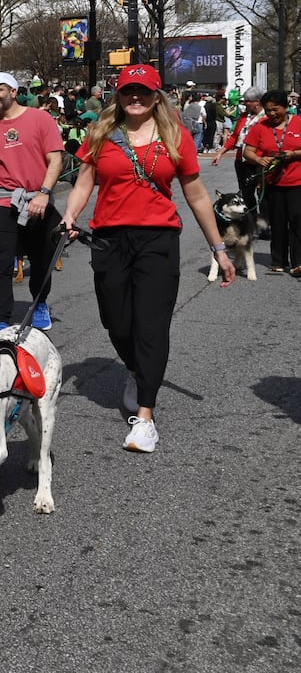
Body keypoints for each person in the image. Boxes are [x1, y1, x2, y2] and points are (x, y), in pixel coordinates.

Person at [61, 63, 235, 454]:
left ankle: (145, 416)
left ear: (156, 96)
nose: (135, 98)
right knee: (117, 322)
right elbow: (84, 182)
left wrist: (219, 249)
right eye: (127, 91)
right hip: (109, 239)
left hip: (158, 239)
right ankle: (138, 371)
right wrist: (70, 214)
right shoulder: (101, 134)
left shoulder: (176, 135)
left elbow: (196, 194)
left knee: (152, 326)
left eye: (143, 91)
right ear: (118, 97)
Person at [0, 71, 65, 333]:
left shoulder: (40, 119)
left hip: (38, 200)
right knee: (0, 264)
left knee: (41, 259)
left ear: (13, 91)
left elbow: (55, 160)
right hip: (2, 202)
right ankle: (2, 318)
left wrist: (45, 192)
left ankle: (40, 302)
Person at [243, 89, 301, 275]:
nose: (272, 114)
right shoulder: (260, 127)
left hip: (297, 182)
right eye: (268, 110)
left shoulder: (299, 123)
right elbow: (248, 151)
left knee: (297, 220)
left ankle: (298, 262)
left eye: (276, 109)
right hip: (272, 183)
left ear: (286, 107)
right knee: (277, 222)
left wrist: (294, 154)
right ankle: (278, 260)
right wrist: (260, 160)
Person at [214, 87, 264, 231]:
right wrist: (221, 152)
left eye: (248, 101)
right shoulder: (243, 117)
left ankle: (265, 224)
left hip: (258, 160)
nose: (245, 103)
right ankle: (252, 222)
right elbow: (235, 136)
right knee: (246, 193)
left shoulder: (266, 118)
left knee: (262, 194)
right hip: (241, 160)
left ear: (258, 102)